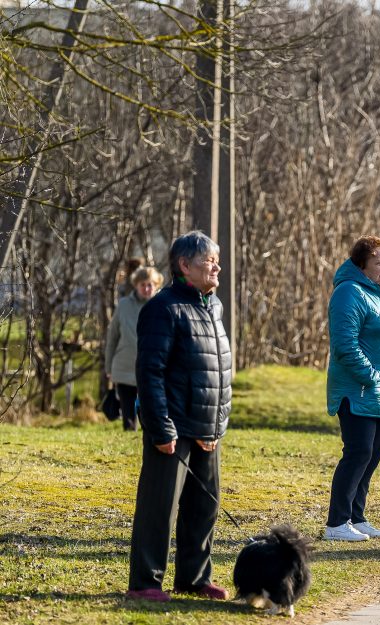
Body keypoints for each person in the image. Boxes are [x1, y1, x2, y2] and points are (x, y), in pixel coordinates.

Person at [126, 231, 232, 602]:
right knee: (159, 509)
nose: (216, 266)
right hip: (171, 428)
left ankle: (194, 578)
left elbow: (218, 368)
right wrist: (160, 428)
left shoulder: (213, 306)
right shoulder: (163, 307)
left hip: (207, 428)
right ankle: (144, 583)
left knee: (203, 508)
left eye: (216, 259)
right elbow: (149, 372)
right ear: (184, 265)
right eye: (209, 260)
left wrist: (218, 424)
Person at [324, 235, 380, 541]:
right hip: (358, 390)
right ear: (362, 263)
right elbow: (344, 345)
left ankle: (356, 518)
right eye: (378, 261)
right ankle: (336, 523)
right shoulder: (349, 292)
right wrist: (372, 376)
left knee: (371, 455)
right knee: (358, 452)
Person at [105, 266, 164, 431]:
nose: (146, 288)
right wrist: (108, 367)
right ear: (136, 285)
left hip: (152, 368)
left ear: (156, 285)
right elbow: (112, 338)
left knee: (149, 410)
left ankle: (150, 439)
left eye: (150, 285)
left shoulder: (162, 306)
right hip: (124, 367)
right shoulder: (123, 306)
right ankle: (129, 438)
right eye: (142, 284)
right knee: (128, 413)